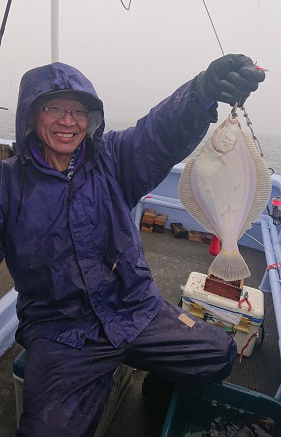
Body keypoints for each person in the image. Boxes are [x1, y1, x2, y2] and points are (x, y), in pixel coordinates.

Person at [2, 54, 264, 436]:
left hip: (136, 308)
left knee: (217, 352)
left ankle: (156, 394)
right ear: (30, 115)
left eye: (78, 111)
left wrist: (202, 91)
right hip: (61, 329)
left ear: (90, 120)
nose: (67, 120)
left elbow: (158, 135)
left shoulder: (112, 158)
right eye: (54, 108)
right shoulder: (7, 185)